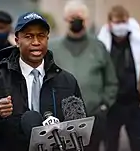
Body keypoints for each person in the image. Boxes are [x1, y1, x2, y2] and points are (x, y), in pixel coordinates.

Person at [0, 12, 86, 151]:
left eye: (41, 36)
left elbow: (79, 129)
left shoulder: (67, 81)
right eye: (29, 36)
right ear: (17, 40)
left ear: (47, 39)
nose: (36, 42)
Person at [49, 1, 118, 151]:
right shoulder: (52, 48)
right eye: (72, 17)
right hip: (61, 122)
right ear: (66, 20)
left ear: (87, 20)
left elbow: (111, 81)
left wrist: (104, 106)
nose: (76, 21)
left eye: (80, 17)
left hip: (93, 118)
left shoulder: (98, 47)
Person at [98, 5, 140, 151]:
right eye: (117, 22)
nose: (121, 26)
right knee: (110, 143)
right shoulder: (103, 44)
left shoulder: (138, 43)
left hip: (135, 103)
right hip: (113, 104)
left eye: (124, 22)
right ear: (110, 23)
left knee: (139, 143)